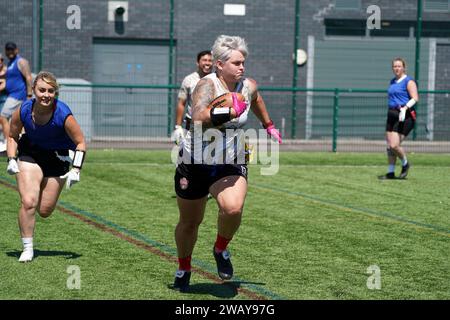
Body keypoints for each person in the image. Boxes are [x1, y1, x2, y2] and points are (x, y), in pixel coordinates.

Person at [171, 35, 282, 291]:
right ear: (220, 65)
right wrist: (227, 110)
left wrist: (268, 125)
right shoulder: (206, 85)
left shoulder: (247, 85)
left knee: (232, 208)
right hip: (195, 160)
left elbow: (256, 100)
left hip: (230, 159)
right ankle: (184, 266)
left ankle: (220, 249)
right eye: (236, 63)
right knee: (190, 222)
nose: (241, 67)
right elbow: (198, 116)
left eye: (243, 62)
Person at [6, 71, 86, 262]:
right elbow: (12, 135)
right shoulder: (24, 110)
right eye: (42, 90)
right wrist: (11, 158)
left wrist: (76, 170)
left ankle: (40, 184)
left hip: (57, 158)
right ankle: (27, 248)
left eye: (51, 91)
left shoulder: (63, 113)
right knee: (28, 201)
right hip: (30, 154)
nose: (46, 95)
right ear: (33, 90)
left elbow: (80, 143)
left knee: (44, 210)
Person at [380, 57, 419, 180]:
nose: (396, 68)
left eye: (399, 66)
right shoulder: (392, 81)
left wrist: (404, 108)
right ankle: (390, 172)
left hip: (404, 116)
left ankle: (405, 163)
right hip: (391, 115)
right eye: (394, 66)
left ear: (403, 67)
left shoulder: (409, 81)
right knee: (389, 146)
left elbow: (415, 98)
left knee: (394, 145)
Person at [172, 50, 213, 145]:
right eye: (204, 60)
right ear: (198, 62)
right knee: (190, 155)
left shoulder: (218, 79)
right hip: (192, 124)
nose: (207, 63)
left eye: (210, 60)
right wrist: (178, 126)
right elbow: (181, 103)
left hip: (212, 124)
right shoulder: (189, 80)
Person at [0, 42, 33, 152]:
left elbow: (28, 78)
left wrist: (29, 95)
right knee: (19, 122)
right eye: (7, 49)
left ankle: (7, 143)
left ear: (16, 50)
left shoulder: (21, 61)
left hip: (18, 95)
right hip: (13, 95)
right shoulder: (10, 63)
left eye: (11, 49)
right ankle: (18, 145)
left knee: (3, 116)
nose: (9, 52)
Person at [0, 53, 7, 150]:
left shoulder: (6, 71)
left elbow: (4, 85)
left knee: (3, 118)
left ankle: (6, 140)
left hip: (4, 99)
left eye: (1, 60)